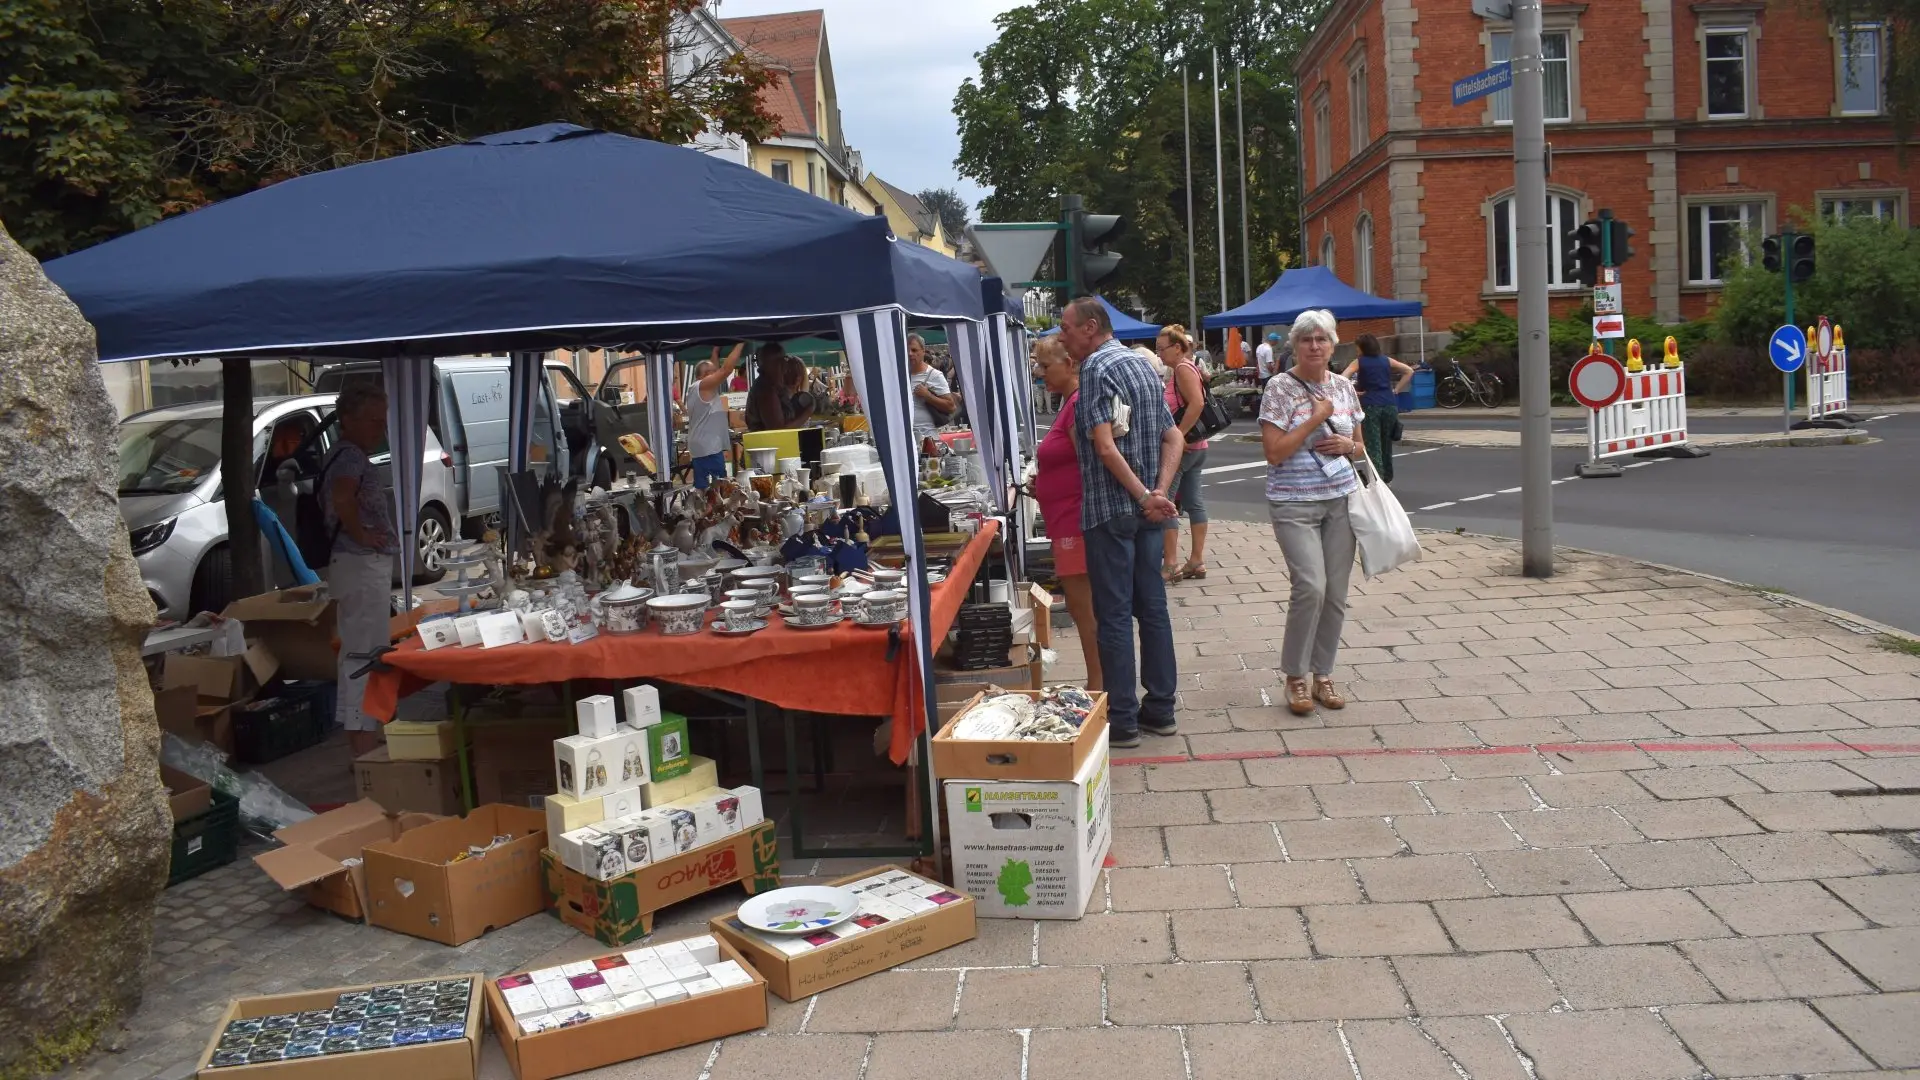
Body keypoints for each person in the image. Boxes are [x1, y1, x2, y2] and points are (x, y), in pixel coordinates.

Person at [1060, 295, 1185, 748]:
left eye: (1066, 328)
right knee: (1152, 607)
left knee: (1113, 615)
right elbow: (1173, 436)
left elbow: (1104, 446)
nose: (1062, 337)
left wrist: (1143, 495)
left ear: (1090, 327)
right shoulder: (1143, 366)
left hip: (1110, 510)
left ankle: (1125, 719)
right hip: (1147, 511)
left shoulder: (1095, 368)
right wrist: (1159, 493)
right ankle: (1162, 709)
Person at [1260, 309, 1366, 717]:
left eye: (1322, 339)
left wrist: (1348, 446)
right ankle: (1295, 677)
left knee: (1336, 593)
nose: (1315, 346)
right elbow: (1274, 452)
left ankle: (1323, 674)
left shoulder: (1344, 387)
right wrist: (1316, 419)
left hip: (1340, 499)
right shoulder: (1279, 388)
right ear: (1295, 345)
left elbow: (1360, 445)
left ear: (1334, 345)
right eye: (1306, 339)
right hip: (1293, 501)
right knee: (1310, 587)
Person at [324, 381, 398, 757]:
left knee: (360, 651)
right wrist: (362, 535)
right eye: (374, 421)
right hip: (360, 564)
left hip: (356, 564)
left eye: (383, 421)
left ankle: (364, 738)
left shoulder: (344, 454)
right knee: (364, 654)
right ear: (349, 420)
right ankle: (364, 747)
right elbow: (342, 497)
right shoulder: (350, 457)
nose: (380, 430)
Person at [1030, 337, 1102, 691]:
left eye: (1046, 366)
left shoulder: (1075, 405)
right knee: (1082, 607)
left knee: (1084, 609)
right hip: (1067, 520)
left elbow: (1089, 465)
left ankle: (1097, 683)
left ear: (1070, 364)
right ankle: (1098, 681)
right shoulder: (1069, 403)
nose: (1040, 372)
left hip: (1076, 521)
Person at [1156, 324, 1210, 583]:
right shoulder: (1187, 367)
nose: (1159, 354)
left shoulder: (1182, 369)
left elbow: (1197, 403)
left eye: (1162, 349)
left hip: (1184, 449)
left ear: (1177, 348)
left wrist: (1179, 435)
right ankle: (1196, 561)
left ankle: (1171, 564)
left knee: (1166, 503)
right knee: (1194, 502)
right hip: (1197, 447)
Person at [1342, 334, 1415, 484]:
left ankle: (1377, 481)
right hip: (1390, 405)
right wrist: (1397, 389)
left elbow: (1343, 378)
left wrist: (1353, 392)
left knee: (1373, 445)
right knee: (1386, 443)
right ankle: (1387, 477)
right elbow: (1409, 371)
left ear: (1362, 347)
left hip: (1370, 405)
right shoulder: (1386, 360)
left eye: (1357, 347)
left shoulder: (1359, 361)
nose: (1356, 350)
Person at [686, 343, 743, 488]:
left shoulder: (698, 388)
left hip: (704, 447)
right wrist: (740, 343)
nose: (716, 374)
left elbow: (717, 370)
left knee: (705, 488)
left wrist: (715, 352)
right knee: (717, 488)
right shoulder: (702, 386)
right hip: (708, 449)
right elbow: (726, 370)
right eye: (711, 372)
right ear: (703, 376)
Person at [744, 344, 814, 431]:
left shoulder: (774, 386)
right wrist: (807, 412)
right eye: (781, 360)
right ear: (770, 364)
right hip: (770, 439)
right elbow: (778, 429)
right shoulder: (765, 388)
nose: (784, 364)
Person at [908, 333, 959, 441]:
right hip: (905, 437)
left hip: (927, 437)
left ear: (923, 351)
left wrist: (928, 396)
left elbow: (951, 407)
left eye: (914, 350)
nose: (910, 353)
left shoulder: (934, 375)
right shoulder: (899, 376)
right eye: (907, 350)